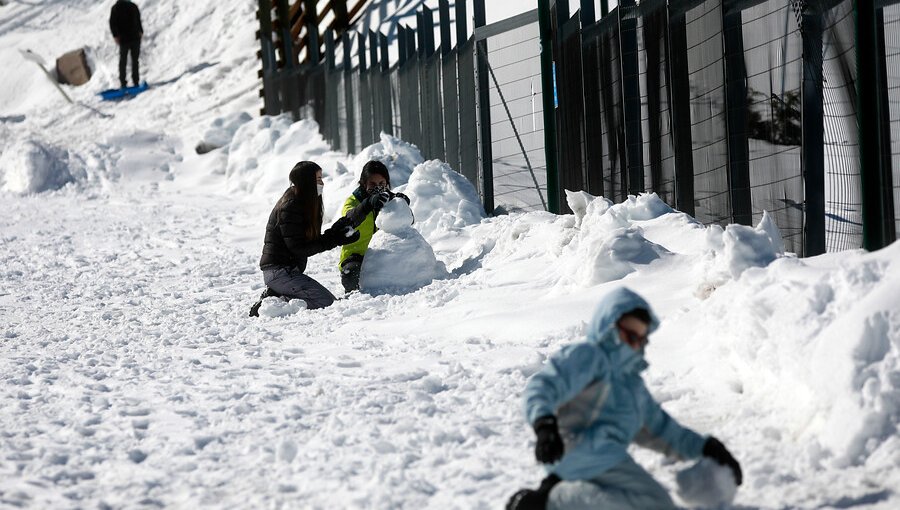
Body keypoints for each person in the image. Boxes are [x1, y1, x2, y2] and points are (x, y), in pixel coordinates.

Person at [507, 287, 742, 510]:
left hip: (605, 459)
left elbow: (662, 430)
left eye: (640, 336)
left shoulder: (632, 385)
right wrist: (544, 424)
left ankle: (556, 493)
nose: (635, 341)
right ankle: (550, 502)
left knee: (646, 502)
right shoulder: (590, 356)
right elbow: (545, 385)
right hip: (572, 449)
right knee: (654, 504)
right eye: (629, 332)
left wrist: (706, 447)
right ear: (609, 325)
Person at [250, 161, 360, 316]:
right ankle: (272, 305)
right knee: (326, 304)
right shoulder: (290, 206)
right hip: (279, 272)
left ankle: (277, 295)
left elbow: (310, 240)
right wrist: (335, 239)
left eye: (321, 178)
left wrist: (337, 232)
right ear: (306, 181)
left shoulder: (302, 202)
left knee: (329, 302)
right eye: (317, 179)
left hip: (288, 272)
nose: (322, 183)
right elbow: (299, 247)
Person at [337, 160, 409, 293]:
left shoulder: (388, 200)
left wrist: (403, 207)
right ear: (364, 184)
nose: (378, 187)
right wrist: (367, 205)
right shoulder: (353, 202)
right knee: (351, 274)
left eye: (382, 183)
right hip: (357, 257)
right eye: (372, 184)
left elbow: (407, 224)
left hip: (383, 256)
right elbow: (349, 218)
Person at [109, 0, 143, 89]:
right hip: (123, 39)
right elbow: (112, 23)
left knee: (135, 60)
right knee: (123, 61)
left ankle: (136, 81)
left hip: (135, 37)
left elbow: (138, 20)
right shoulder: (116, 8)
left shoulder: (133, 6)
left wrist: (140, 31)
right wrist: (115, 35)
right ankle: (123, 83)